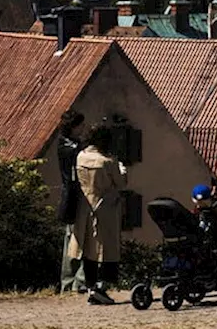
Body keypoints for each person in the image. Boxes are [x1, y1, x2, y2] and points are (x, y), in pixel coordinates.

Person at [71, 123, 127, 305]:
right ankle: (101, 288)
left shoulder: (80, 157)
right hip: (105, 208)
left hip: (85, 207)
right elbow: (121, 183)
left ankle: (90, 286)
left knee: (88, 250)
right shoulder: (107, 162)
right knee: (107, 249)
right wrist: (122, 167)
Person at [56, 110, 87, 294]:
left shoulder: (69, 143)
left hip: (73, 197)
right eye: (80, 125)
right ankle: (72, 282)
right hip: (74, 198)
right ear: (73, 126)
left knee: (74, 240)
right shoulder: (67, 146)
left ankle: (70, 283)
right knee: (76, 240)